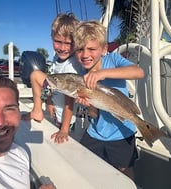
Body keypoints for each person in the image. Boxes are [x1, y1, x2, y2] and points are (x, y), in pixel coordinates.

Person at [73, 20, 145, 179]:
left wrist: (102, 74)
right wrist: (88, 105)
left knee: (124, 171)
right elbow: (94, 114)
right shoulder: (81, 74)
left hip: (121, 132)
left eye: (92, 49)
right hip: (96, 132)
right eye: (80, 49)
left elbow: (138, 72)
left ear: (104, 49)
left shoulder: (113, 59)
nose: (85, 55)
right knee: (83, 165)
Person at [21, 13, 82, 144]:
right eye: (58, 42)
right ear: (52, 38)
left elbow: (69, 102)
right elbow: (50, 82)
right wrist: (48, 100)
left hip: (67, 120)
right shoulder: (57, 58)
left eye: (68, 43)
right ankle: (37, 110)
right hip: (56, 112)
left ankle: (65, 129)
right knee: (35, 74)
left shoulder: (72, 67)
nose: (62, 48)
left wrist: (64, 129)